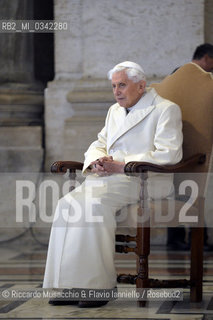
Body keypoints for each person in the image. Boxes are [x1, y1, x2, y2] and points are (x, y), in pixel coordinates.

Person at [43, 61, 183, 308]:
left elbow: (169, 154)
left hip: (146, 179)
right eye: (113, 86)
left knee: (95, 205)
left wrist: (123, 165)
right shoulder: (114, 111)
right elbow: (100, 142)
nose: (117, 91)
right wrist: (97, 160)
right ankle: (74, 283)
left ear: (141, 86)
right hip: (112, 178)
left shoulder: (165, 109)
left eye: (122, 85)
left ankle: (99, 287)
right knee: (67, 204)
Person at [167, 43, 213, 251]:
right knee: (183, 193)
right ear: (206, 58)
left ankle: (196, 239)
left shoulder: (182, 77)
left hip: (190, 144)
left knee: (191, 193)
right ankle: (182, 239)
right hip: (181, 145)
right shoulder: (186, 77)